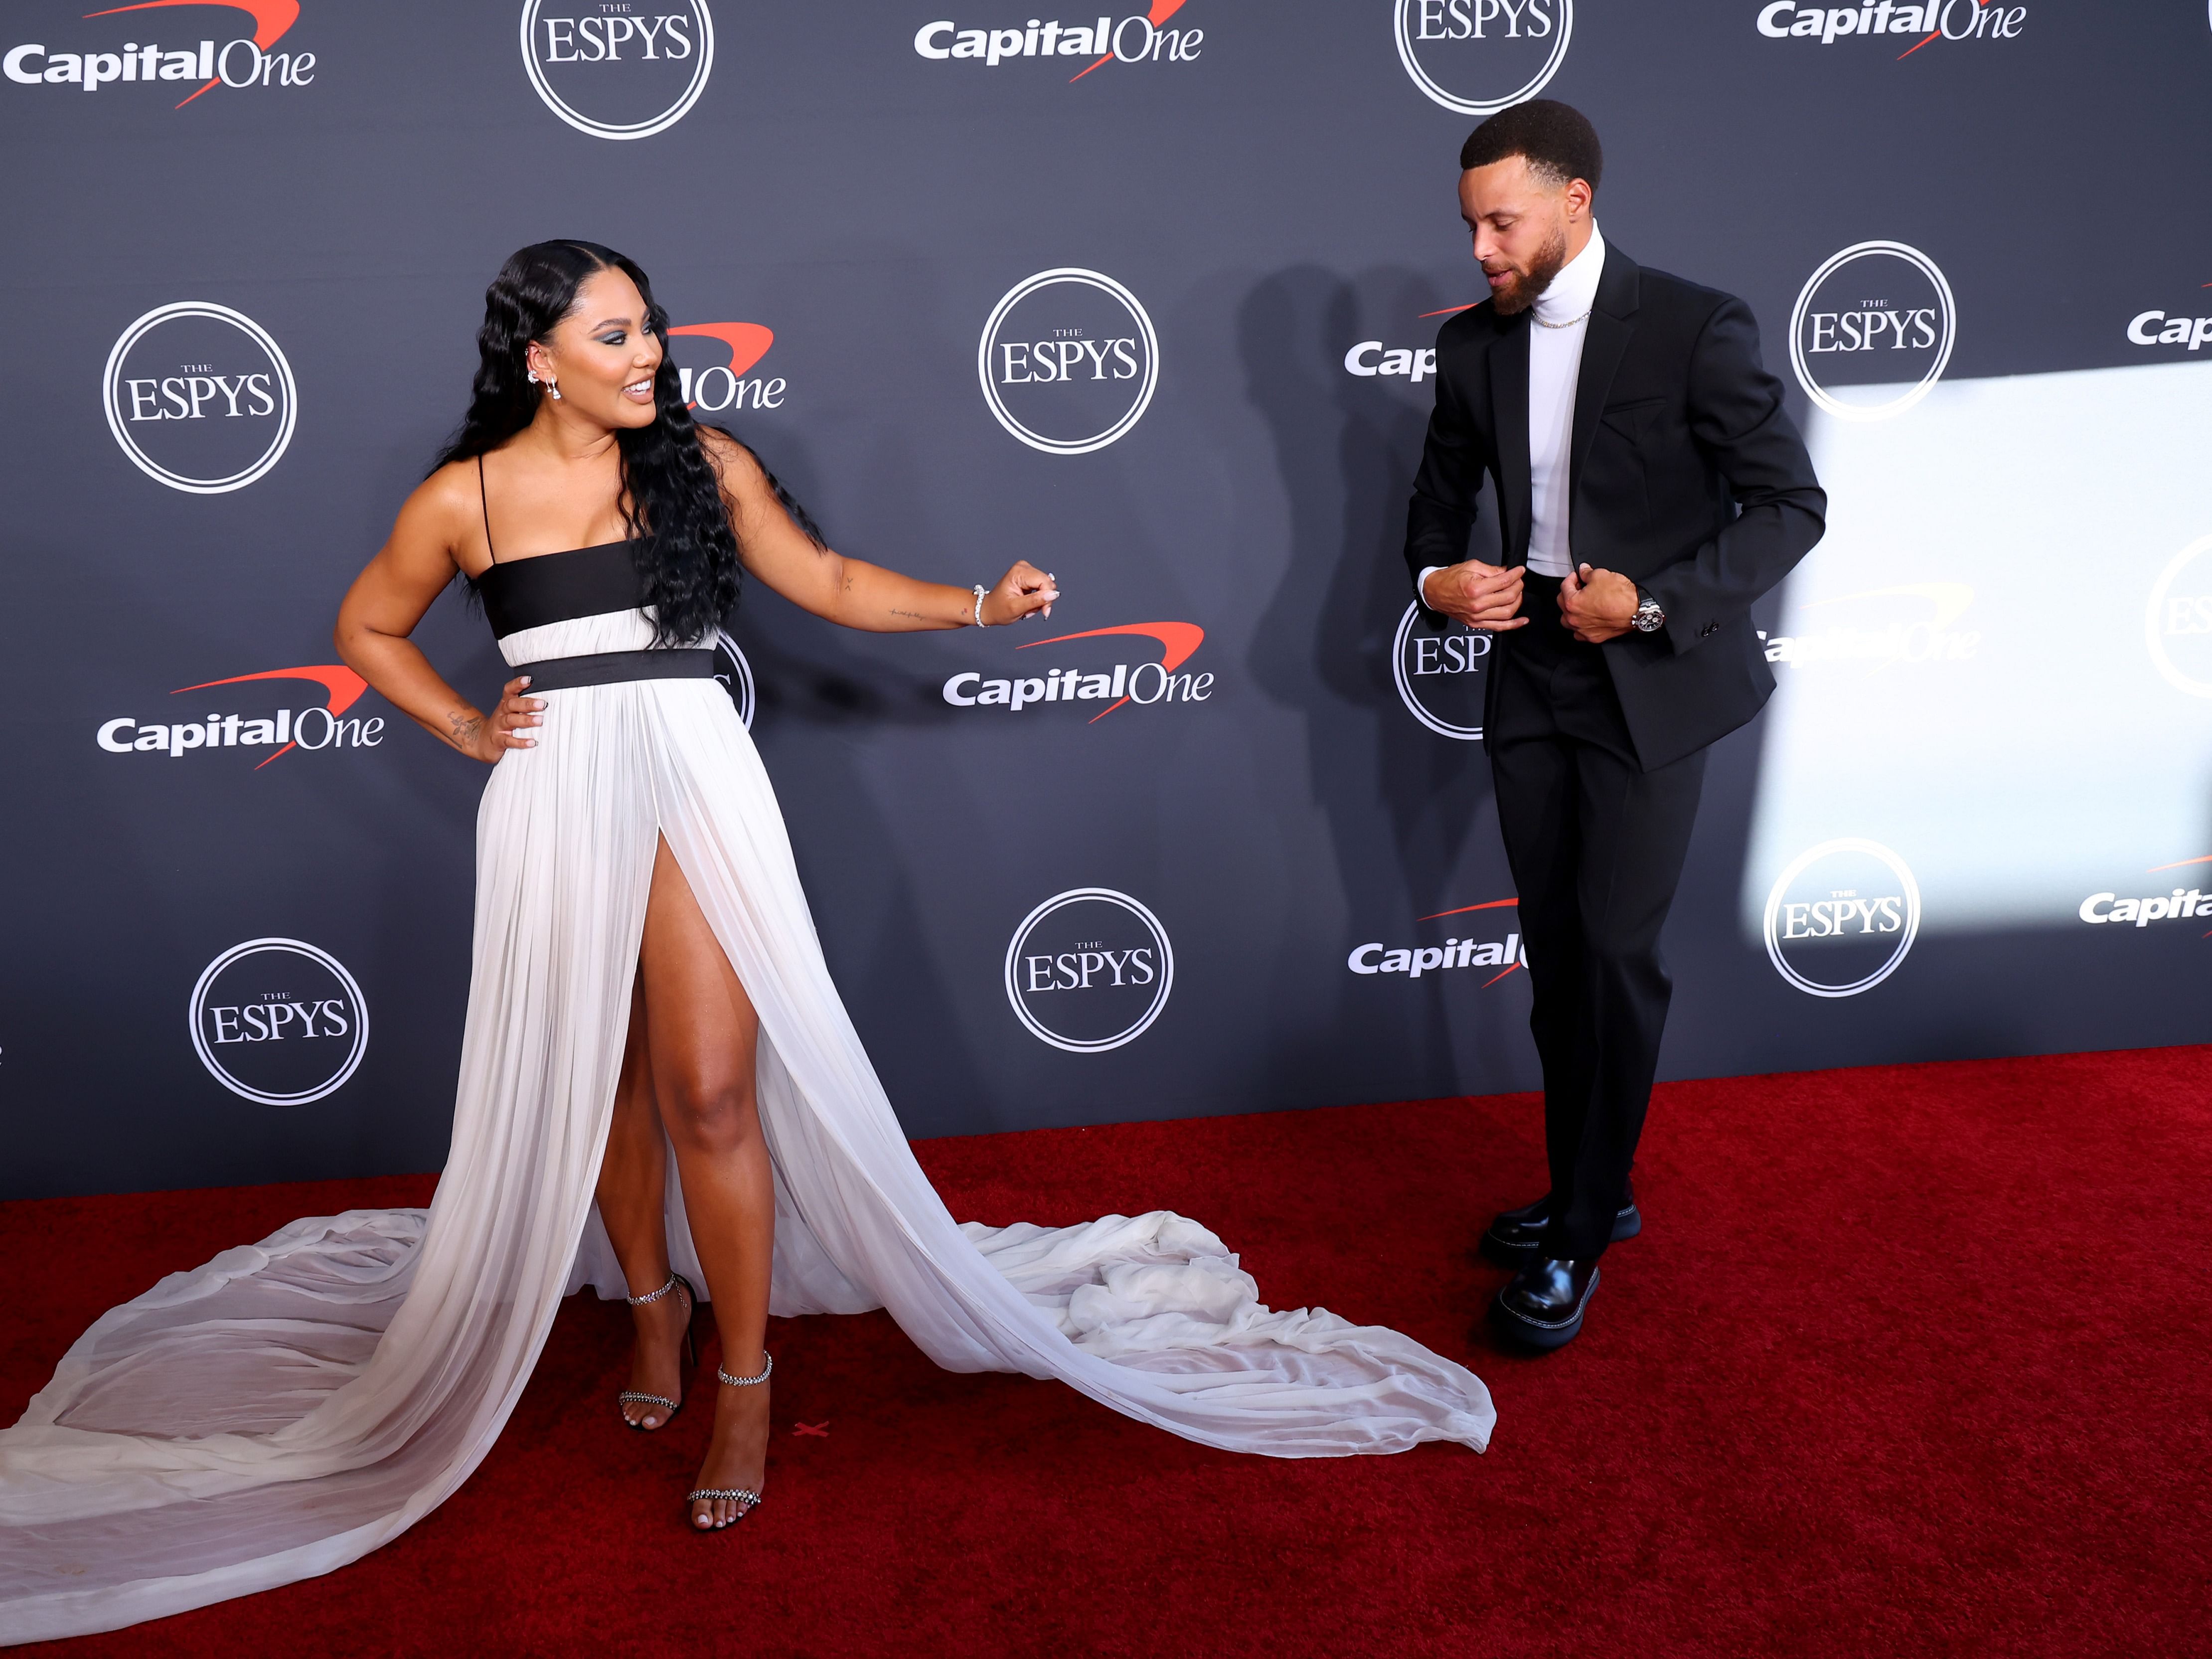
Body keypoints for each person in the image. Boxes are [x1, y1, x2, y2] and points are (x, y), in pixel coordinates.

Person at [0, 241, 1493, 1645]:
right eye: (614, 333)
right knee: (597, 1086)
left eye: (648, 325)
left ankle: (741, 1376)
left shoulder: (700, 464)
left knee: (710, 1089)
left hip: (696, 783)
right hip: (553, 794)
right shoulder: (462, 497)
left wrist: (980, 603)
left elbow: (828, 583)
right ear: (539, 358)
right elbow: (366, 625)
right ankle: (647, 1316)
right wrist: (465, 725)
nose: (648, 351)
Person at [1404, 106, 1826, 1350]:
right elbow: (1434, 502)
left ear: (1574, 201)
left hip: (1650, 678)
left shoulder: (1694, 325)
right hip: (1528, 672)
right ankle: (1584, 1187)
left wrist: (1648, 601)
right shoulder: (1473, 348)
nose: (1479, 247)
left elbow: (1788, 504)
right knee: (1555, 954)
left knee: (1614, 954)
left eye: (1501, 220)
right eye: (1470, 224)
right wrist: (1435, 578)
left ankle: (1582, 1229)